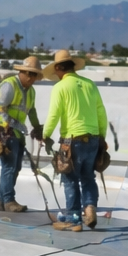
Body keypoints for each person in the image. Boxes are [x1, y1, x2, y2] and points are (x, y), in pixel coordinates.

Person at [42, 49, 108, 231]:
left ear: (59, 68)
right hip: (93, 140)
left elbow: (53, 115)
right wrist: (102, 137)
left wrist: (45, 135)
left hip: (72, 141)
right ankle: (89, 207)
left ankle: (73, 219)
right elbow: (101, 113)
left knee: (70, 179)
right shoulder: (90, 85)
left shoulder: (60, 87)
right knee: (88, 177)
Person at [0, 55, 45, 211]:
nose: (32, 79)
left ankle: (3, 200)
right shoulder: (10, 85)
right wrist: (10, 124)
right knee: (9, 167)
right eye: (30, 74)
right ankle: (8, 200)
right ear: (23, 72)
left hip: (17, 133)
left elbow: (31, 111)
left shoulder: (31, 91)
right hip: (4, 132)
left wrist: (37, 127)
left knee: (16, 167)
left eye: (35, 75)